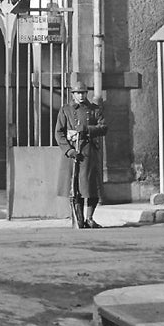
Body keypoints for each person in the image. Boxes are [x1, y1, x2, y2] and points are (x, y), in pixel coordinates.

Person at [55, 76, 108, 228]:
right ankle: (79, 219)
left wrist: (87, 129)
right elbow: (59, 133)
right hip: (73, 154)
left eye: (83, 93)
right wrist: (69, 150)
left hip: (89, 153)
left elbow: (103, 127)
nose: (81, 96)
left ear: (86, 94)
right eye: (78, 93)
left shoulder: (94, 110)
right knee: (75, 187)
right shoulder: (65, 110)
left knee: (91, 188)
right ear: (73, 94)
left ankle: (90, 218)